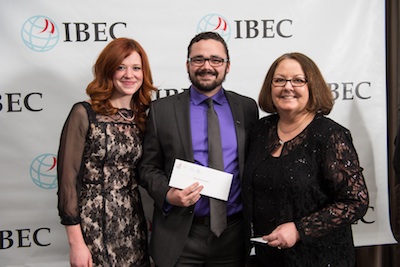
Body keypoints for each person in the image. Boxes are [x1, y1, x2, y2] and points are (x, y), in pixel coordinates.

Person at [138, 31, 259, 267]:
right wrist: (168, 194)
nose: (207, 66)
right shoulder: (162, 111)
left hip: (233, 236)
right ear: (187, 65)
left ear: (227, 66)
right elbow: (147, 167)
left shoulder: (246, 108)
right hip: (180, 236)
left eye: (216, 59)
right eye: (198, 59)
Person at [243, 52, 369, 266]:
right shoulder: (260, 130)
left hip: (319, 257)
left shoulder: (330, 136)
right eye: (279, 80)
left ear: (313, 87)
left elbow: (356, 201)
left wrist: (300, 230)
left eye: (298, 80)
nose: (287, 87)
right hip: (269, 257)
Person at [57, 37, 156, 267]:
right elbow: (67, 182)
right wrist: (76, 244)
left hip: (133, 225)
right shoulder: (84, 113)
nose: (129, 75)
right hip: (93, 227)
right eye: (120, 67)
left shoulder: (143, 118)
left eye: (136, 68)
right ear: (107, 70)